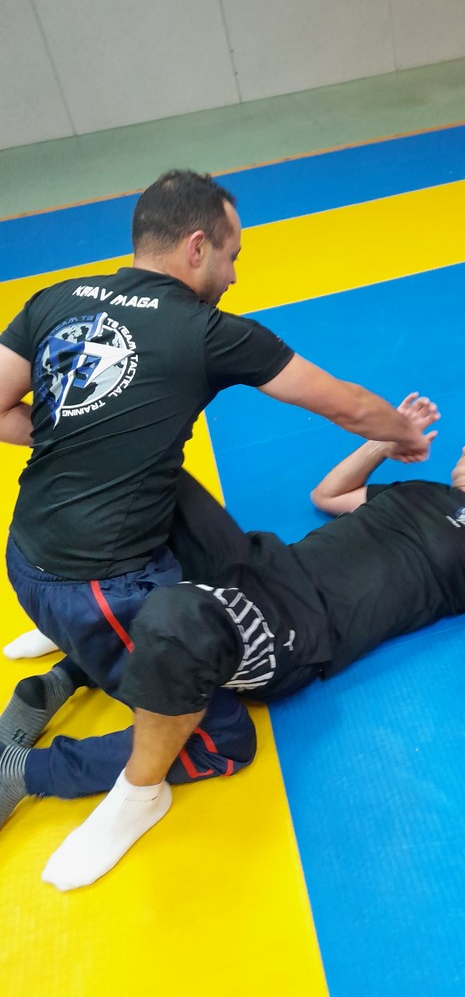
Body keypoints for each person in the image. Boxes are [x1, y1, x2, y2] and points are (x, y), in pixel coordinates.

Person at [0, 170, 432, 824]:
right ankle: (25, 770)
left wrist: (75, 433)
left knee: (197, 556)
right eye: (232, 256)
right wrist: (404, 434)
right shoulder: (207, 331)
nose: (232, 276)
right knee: (222, 739)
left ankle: (69, 673)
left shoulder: (56, 297)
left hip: (27, 552)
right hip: (96, 589)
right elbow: (345, 404)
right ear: (197, 247)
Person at [0, 394, 465, 889]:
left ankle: (43, 764)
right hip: (259, 563)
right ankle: (80, 629)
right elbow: (328, 495)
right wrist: (383, 441)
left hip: (296, 629)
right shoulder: (421, 490)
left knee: (177, 616)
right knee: (153, 469)